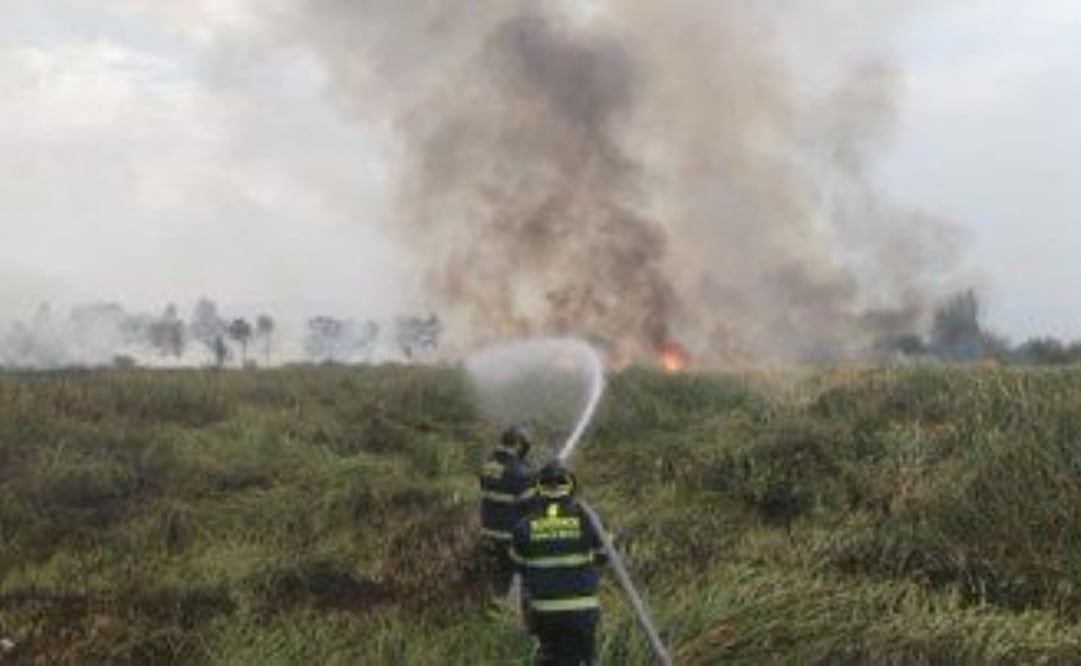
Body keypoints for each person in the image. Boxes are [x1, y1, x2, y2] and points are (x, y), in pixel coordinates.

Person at [511, 461, 607, 666]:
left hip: (544, 613)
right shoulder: (587, 519)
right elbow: (604, 556)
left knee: (552, 659)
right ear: (571, 486)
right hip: (583, 612)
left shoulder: (524, 526)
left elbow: (519, 566)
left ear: (539, 488)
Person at [478, 424, 536, 596]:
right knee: (510, 577)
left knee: (493, 576)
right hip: (509, 535)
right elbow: (531, 506)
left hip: (487, 531)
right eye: (525, 445)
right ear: (518, 445)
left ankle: (491, 609)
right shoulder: (521, 473)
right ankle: (506, 612)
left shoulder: (488, 466)